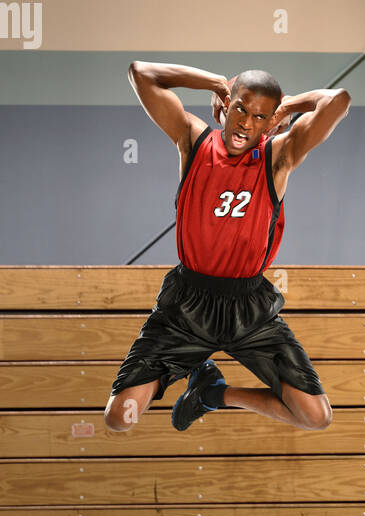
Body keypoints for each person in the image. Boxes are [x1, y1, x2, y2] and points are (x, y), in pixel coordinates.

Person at [104, 61, 350, 433]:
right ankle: (194, 375)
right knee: (119, 418)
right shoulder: (193, 139)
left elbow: (338, 101)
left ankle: (213, 394)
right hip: (187, 304)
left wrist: (288, 106)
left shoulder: (278, 156)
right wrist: (216, 82)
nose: (247, 122)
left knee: (315, 416)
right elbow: (142, 74)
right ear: (223, 106)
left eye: (259, 116)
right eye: (240, 108)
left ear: (270, 123)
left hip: (247, 308)